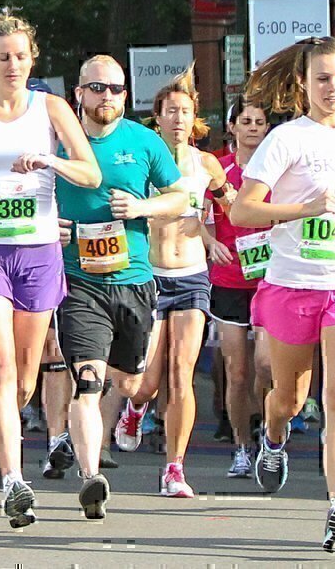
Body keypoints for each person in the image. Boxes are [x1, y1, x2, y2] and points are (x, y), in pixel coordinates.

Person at [231, 36, 335, 554]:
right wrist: (303, 210)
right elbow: (243, 212)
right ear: (303, 83)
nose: (333, 87)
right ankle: (274, 436)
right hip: (293, 282)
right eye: (323, 78)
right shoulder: (285, 140)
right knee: (289, 397)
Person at [0, 13, 101, 529]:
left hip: (38, 253)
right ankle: (14, 481)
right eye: (2, 56)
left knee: (25, 377)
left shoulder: (51, 109)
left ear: (32, 61)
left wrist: (49, 163)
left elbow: (89, 173)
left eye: (20, 56)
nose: (11, 65)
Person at [46, 55, 189, 519]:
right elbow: (22, 195)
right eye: (97, 88)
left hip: (134, 282)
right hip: (78, 281)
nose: (107, 96)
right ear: (79, 95)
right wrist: (51, 227)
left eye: (116, 89)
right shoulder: (59, 143)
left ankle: (102, 417)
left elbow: (179, 197)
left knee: (128, 382)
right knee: (88, 381)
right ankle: (91, 478)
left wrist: (141, 208)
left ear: (126, 95)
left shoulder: (143, 141)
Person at [119, 70, 226, 499]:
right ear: (157, 118)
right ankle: (135, 407)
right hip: (151, 273)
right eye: (171, 111)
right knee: (146, 380)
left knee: (182, 372)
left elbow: (226, 196)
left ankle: (174, 468)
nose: (179, 119)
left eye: (186, 111)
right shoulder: (144, 159)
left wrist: (229, 211)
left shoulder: (207, 163)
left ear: (194, 118)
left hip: (191, 276)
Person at [206, 97, 274, 481]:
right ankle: (241, 446)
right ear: (232, 127)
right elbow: (198, 213)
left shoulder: (275, 169)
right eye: (245, 120)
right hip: (229, 278)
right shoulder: (218, 167)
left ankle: (268, 433)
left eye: (259, 121)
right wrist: (209, 241)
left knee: (265, 364)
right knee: (236, 371)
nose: (252, 127)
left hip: (267, 278)